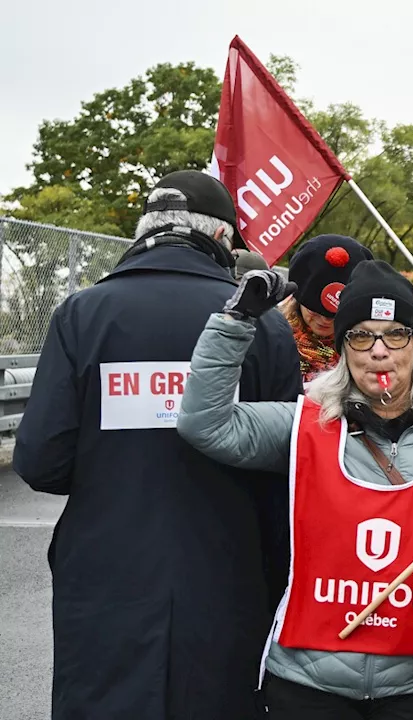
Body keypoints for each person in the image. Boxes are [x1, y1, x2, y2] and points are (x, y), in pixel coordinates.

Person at [176, 260, 413, 718]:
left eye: (395, 335)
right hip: (308, 682)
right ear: (343, 349)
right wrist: (235, 322)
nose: (378, 352)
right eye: (361, 336)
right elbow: (205, 425)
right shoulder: (305, 424)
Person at [12, 171, 302, 719]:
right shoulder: (261, 325)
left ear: (143, 232)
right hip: (229, 576)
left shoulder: (82, 314)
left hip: (106, 578)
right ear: (222, 239)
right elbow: (287, 462)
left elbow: (41, 460)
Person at [279, 234, 375, 384]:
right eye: (315, 312)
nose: (325, 320)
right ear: (298, 302)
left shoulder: (373, 350)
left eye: (335, 316)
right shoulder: (275, 340)